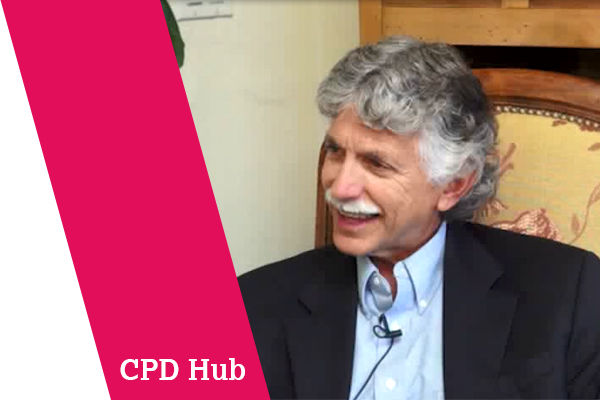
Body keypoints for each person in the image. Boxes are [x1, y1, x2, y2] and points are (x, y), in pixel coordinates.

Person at [238, 36, 600, 400]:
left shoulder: (566, 294)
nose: (340, 187)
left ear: (454, 184)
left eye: (376, 163)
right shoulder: (252, 304)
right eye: (335, 151)